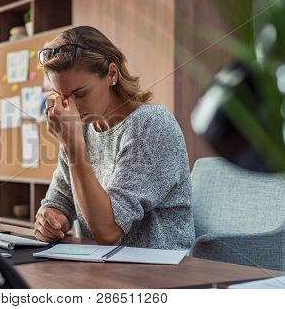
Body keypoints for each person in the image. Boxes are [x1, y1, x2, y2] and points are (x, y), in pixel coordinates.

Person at [34, 25, 194, 249]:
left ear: (111, 74)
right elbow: (60, 200)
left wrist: (72, 146)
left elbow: (108, 231)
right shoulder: (80, 128)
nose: (71, 107)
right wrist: (50, 219)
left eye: (80, 93)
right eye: (62, 96)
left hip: (159, 272)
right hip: (103, 268)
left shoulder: (151, 125)